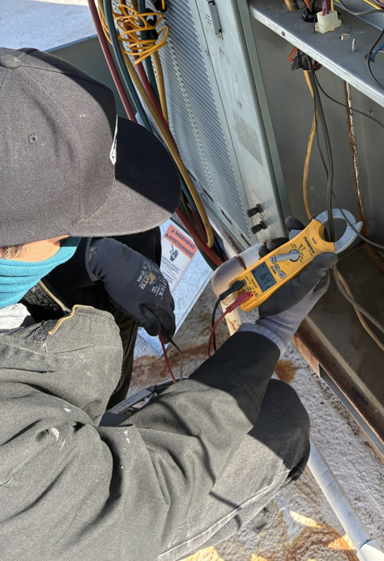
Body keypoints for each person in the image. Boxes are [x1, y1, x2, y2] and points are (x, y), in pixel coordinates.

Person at [0, 47, 334, 561]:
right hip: (44, 532)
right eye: (64, 232)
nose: (72, 238)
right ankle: (103, 421)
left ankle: (103, 402)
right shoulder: (12, 470)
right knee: (275, 424)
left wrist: (91, 253)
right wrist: (264, 337)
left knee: (130, 234)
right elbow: (140, 498)